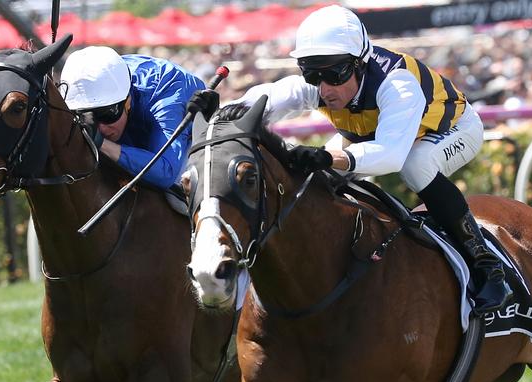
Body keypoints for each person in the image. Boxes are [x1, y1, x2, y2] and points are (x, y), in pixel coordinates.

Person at [199, 5, 512, 315]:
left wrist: (328, 156)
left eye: (334, 74)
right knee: (312, 184)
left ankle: (485, 263)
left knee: (416, 166)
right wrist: (218, 110)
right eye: (312, 73)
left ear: (360, 64)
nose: (324, 88)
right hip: (375, 133)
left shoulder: (397, 84)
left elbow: (391, 155)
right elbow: (264, 100)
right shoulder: (322, 84)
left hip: (452, 128)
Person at [60, 46, 218, 189]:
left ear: (127, 102)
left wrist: (101, 144)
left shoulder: (169, 96)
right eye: (88, 117)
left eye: (107, 114)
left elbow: (165, 172)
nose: (100, 128)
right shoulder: (104, 80)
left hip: (176, 155)